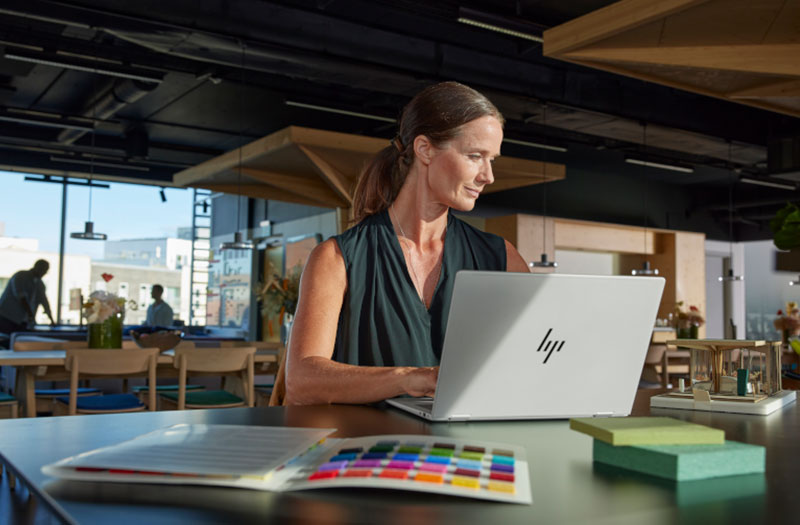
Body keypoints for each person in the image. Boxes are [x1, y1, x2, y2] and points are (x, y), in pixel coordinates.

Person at [285, 81, 529, 405]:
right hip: (371, 450)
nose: (488, 175)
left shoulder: (503, 258)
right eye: (475, 156)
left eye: (492, 160)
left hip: (469, 450)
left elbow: (535, 362)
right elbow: (302, 380)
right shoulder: (336, 259)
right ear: (424, 149)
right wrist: (412, 378)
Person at [0, 259, 55, 334]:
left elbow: (44, 302)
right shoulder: (21, 276)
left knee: (18, 342)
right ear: (37, 267)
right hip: (7, 317)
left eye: (46, 271)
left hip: (23, 321)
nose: (44, 273)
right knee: (5, 341)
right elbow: (21, 297)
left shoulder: (40, 284)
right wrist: (30, 315)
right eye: (44, 270)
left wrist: (51, 320)